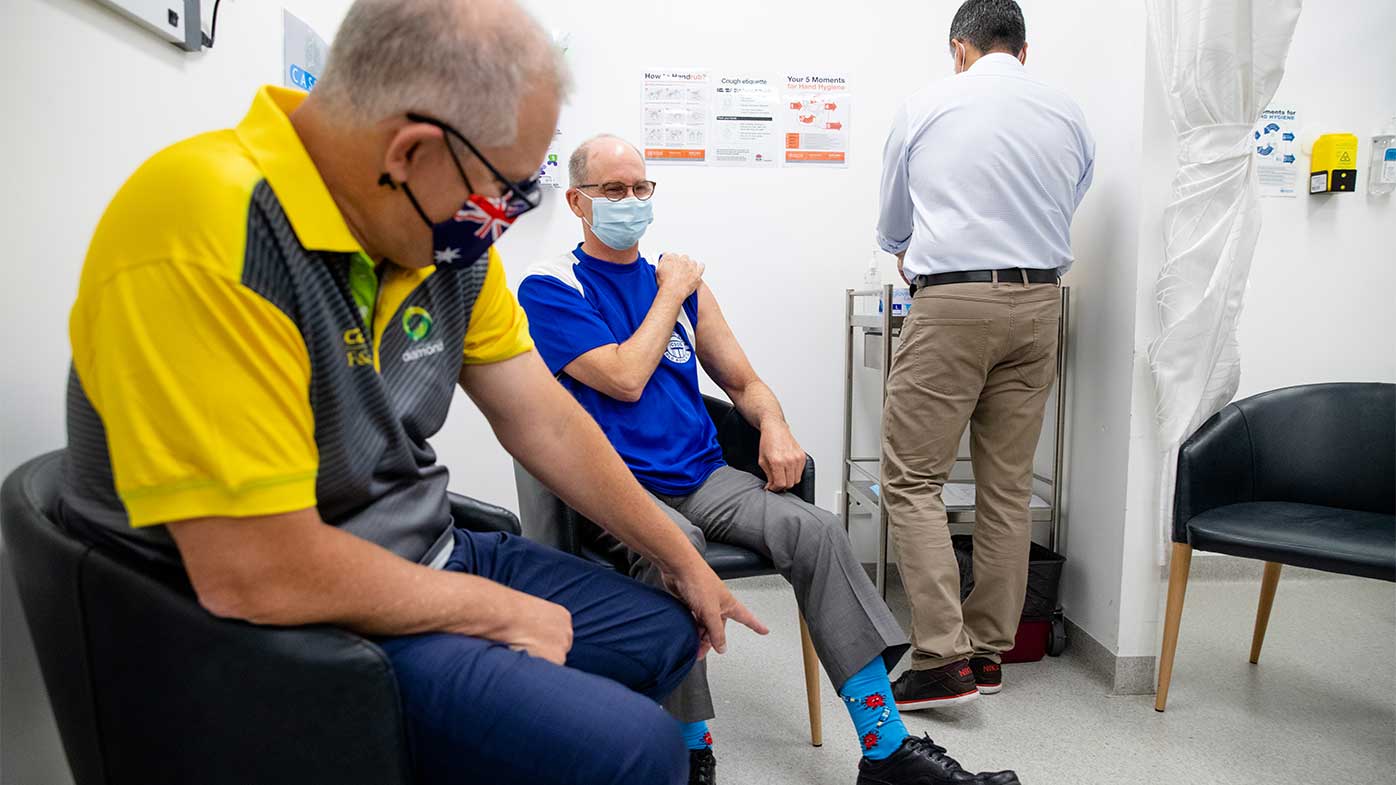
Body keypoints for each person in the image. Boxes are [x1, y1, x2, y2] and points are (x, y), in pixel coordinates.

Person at [59, 2, 769, 783]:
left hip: (428, 548)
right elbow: (255, 569)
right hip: (283, 618)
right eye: (505, 192)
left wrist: (679, 555)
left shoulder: (447, 241)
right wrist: (493, 611)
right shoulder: (206, 224)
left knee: (665, 630)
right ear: (410, 151)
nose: (502, 221)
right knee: (639, 747)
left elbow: (548, 422)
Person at [516, 134, 1022, 785]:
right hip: (614, 489)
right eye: (614, 189)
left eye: (642, 187)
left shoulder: (685, 287)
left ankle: (886, 747)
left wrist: (776, 424)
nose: (632, 200)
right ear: (577, 202)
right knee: (678, 546)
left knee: (818, 531)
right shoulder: (552, 286)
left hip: (704, 476)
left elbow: (745, 383)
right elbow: (623, 378)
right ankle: (689, 750)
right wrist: (670, 292)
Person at [875, 0, 1095, 709]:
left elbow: (894, 223)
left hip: (954, 302)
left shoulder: (927, 104)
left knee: (913, 480)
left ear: (959, 48)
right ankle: (989, 652)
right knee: (1007, 487)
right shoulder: (1068, 113)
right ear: (1023, 51)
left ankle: (942, 657)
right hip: (1041, 304)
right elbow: (1071, 196)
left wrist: (911, 249)